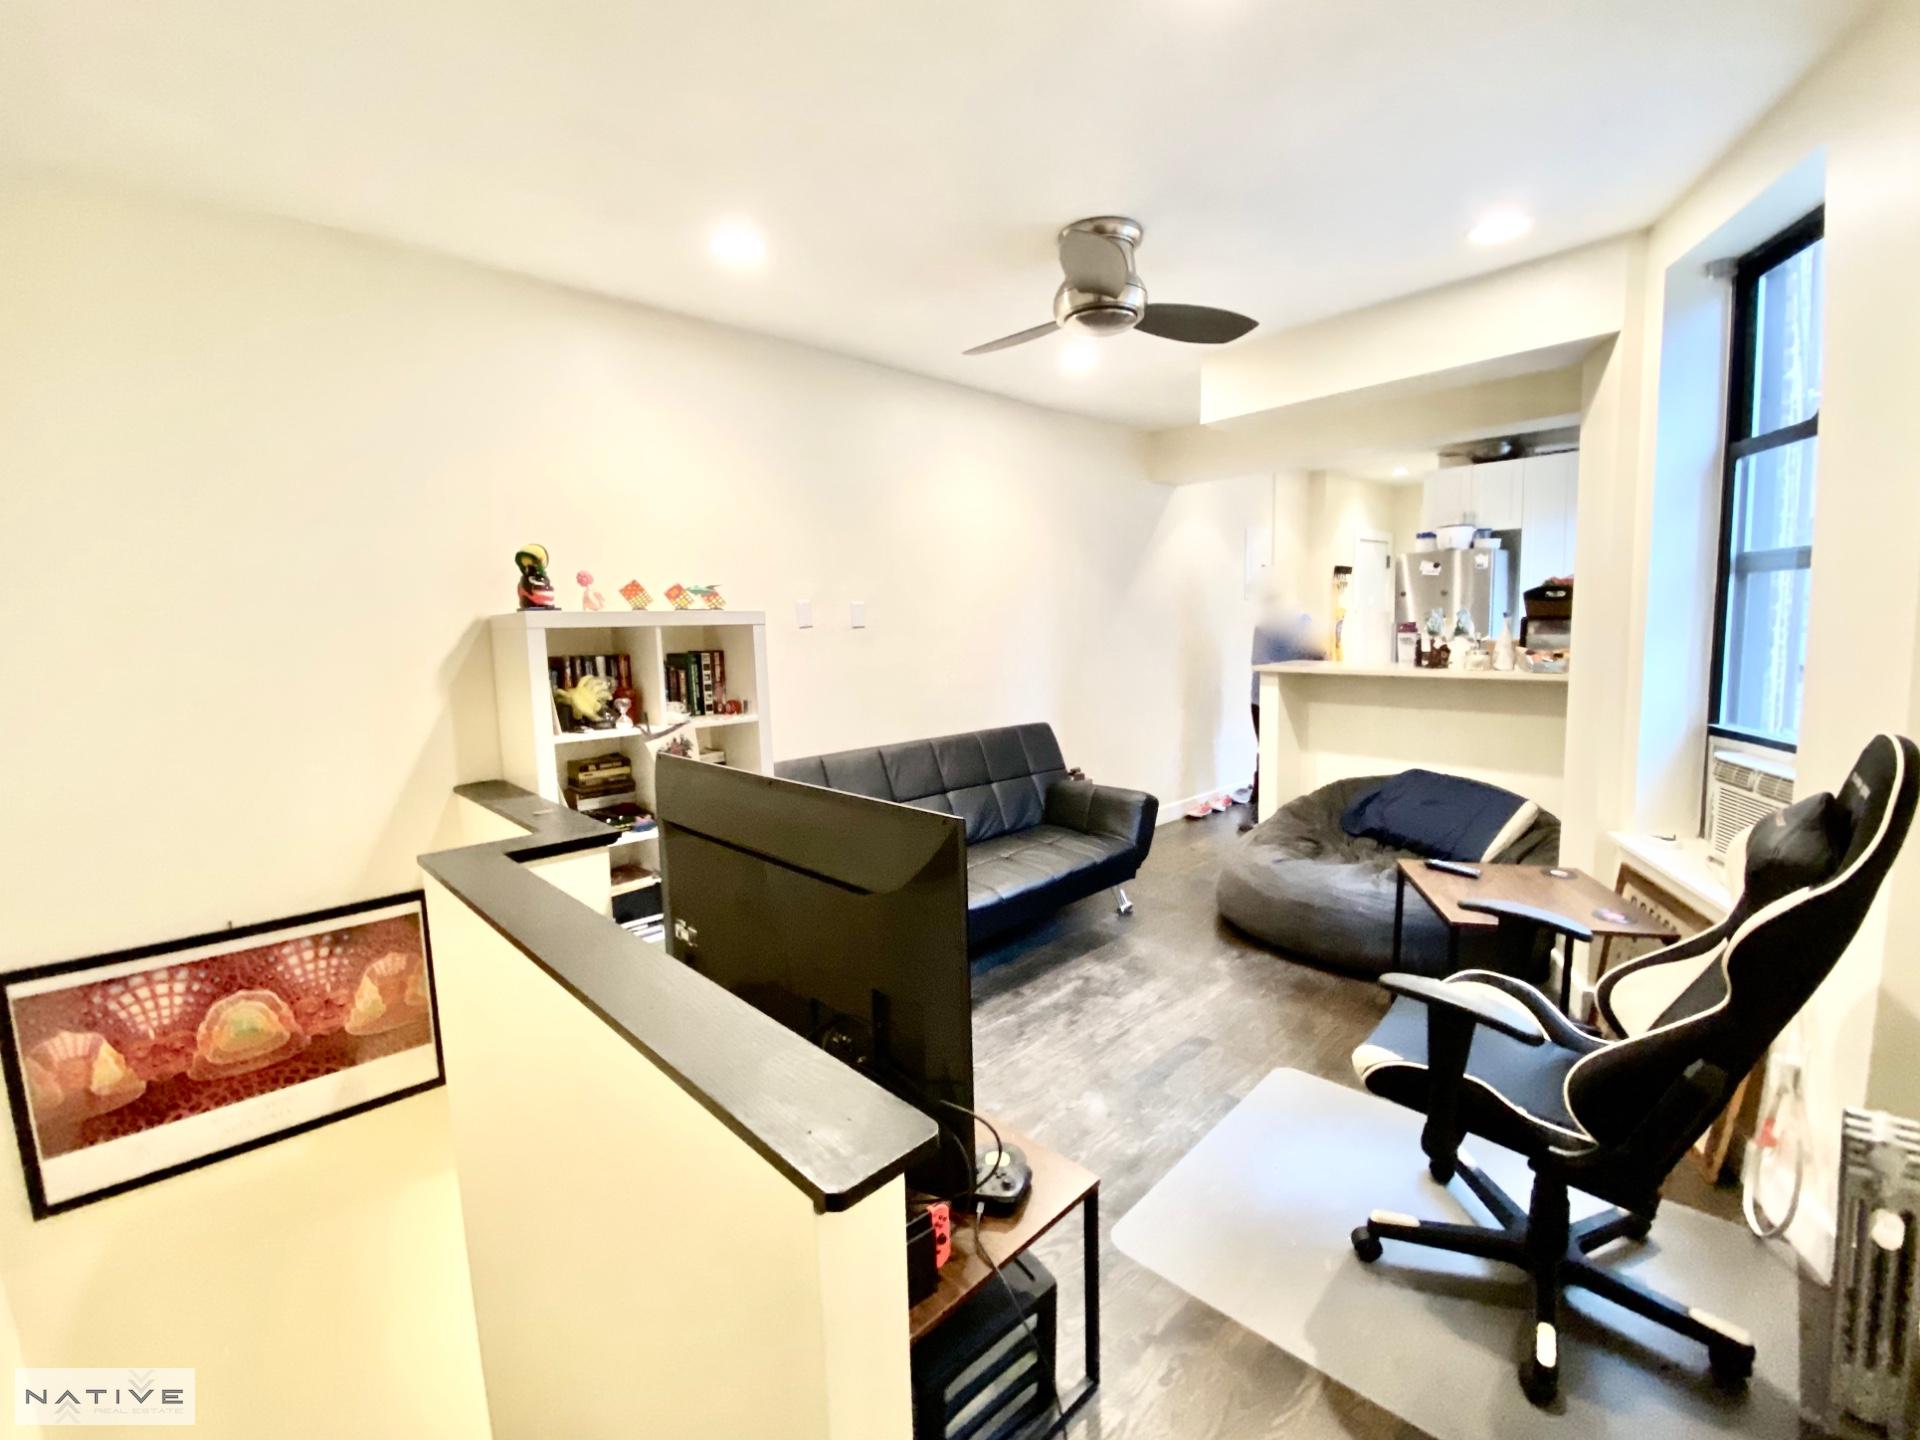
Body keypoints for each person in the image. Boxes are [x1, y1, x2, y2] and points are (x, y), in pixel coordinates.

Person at [1245, 588, 1323, 831]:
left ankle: (1259, 808)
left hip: (1261, 697)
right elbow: (1315, 654)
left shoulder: (1265, 625)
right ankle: (1264, 811)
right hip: (1274, 697)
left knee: (1266, 752)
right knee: (1275, 753)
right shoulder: (1297, 623)